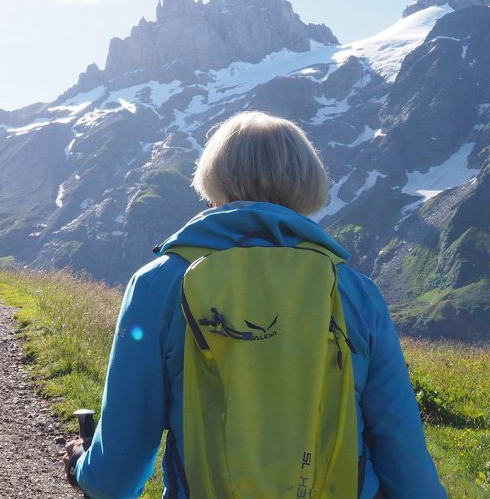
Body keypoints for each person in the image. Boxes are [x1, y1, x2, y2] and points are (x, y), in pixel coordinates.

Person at [62, 111, 446, 498]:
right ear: (306, 185)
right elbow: (407, 460)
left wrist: (82, 463)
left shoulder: (158, 284)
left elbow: (116, 478)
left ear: (214, 183)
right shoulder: (356, 293)